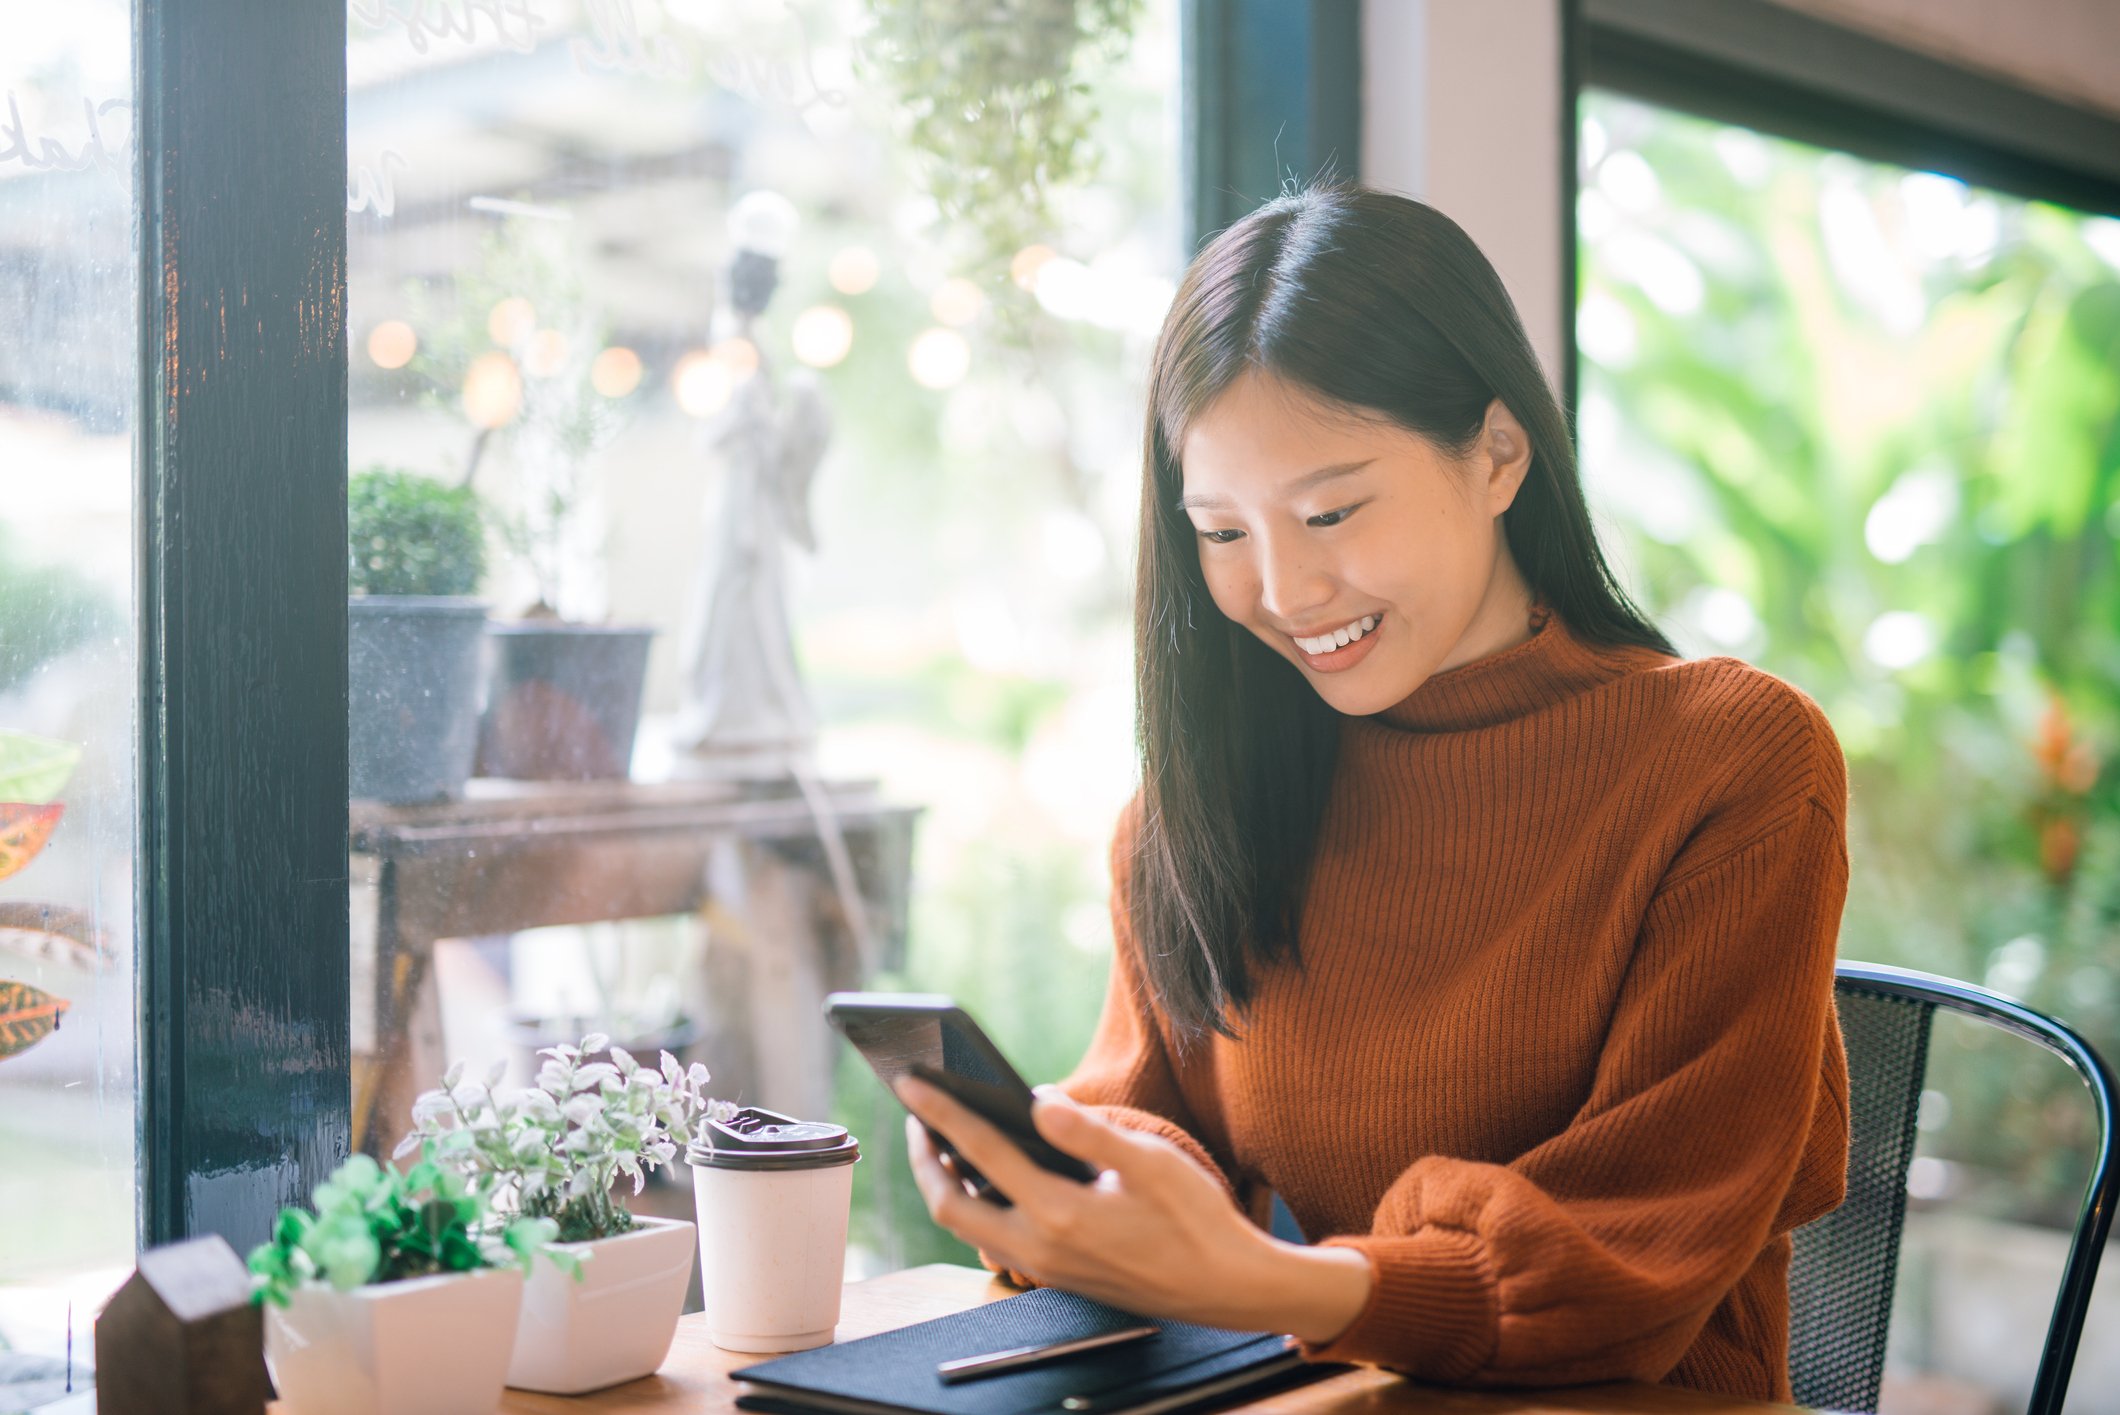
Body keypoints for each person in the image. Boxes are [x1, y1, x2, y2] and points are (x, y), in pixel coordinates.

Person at [896, 184, 1849, 1405]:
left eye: (1331, 509)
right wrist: (1056, 1180)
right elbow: (1142, 1113)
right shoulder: (1203, 802)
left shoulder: (1729, 761)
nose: (1284, 588)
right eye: (1222, 530)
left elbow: (1633, 1260)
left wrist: (1266, 1284)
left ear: (1498, 454)